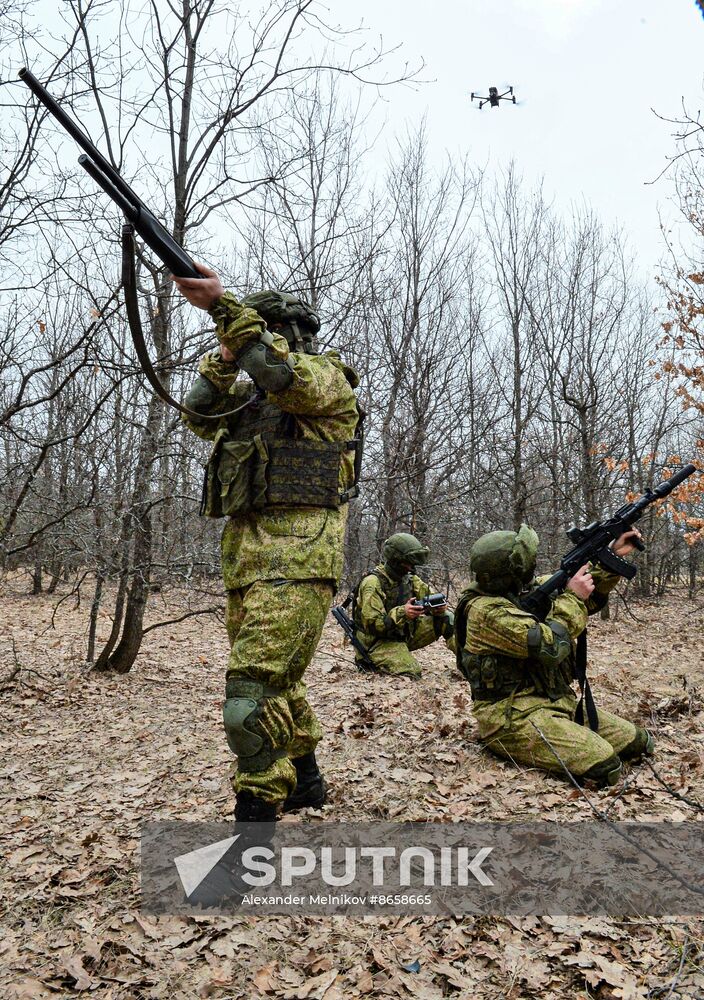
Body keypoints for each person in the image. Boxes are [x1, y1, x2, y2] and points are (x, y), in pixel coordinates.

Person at [174, 265, 363, 824]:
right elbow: (196, 410)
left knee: (247, 701)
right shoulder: (246, 405)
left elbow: (281, 376)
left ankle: (253, 830)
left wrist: (221, 309)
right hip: (246, 565)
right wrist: (225, 359)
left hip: (301, 562)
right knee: (279, 680)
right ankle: (306, 782)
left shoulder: (326, 382)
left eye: (267, 335)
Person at [454, 524, 654, 787]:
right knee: (605, 767)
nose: (533, 565)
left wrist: (611, 556)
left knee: (640, 744)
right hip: (511, 718)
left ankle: (563, 731)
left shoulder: (521, 592)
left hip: (556, 702)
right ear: (512, 571)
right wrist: (573, 597)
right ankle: (503, 744)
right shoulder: (486, 612)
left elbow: (581, 591)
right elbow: (552, 646)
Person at [351, 533, 456, 678]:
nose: (411, 567)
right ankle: (372, 662)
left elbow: (430, 597)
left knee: (447, 619)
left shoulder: (409, 579)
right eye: (408, 563)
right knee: (411, 672)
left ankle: (471, 663)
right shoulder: (373, 583)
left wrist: (438, 608)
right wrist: (402, 613)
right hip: (377, 642)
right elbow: (372, 624)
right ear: (396, 561)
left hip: (402, 634)